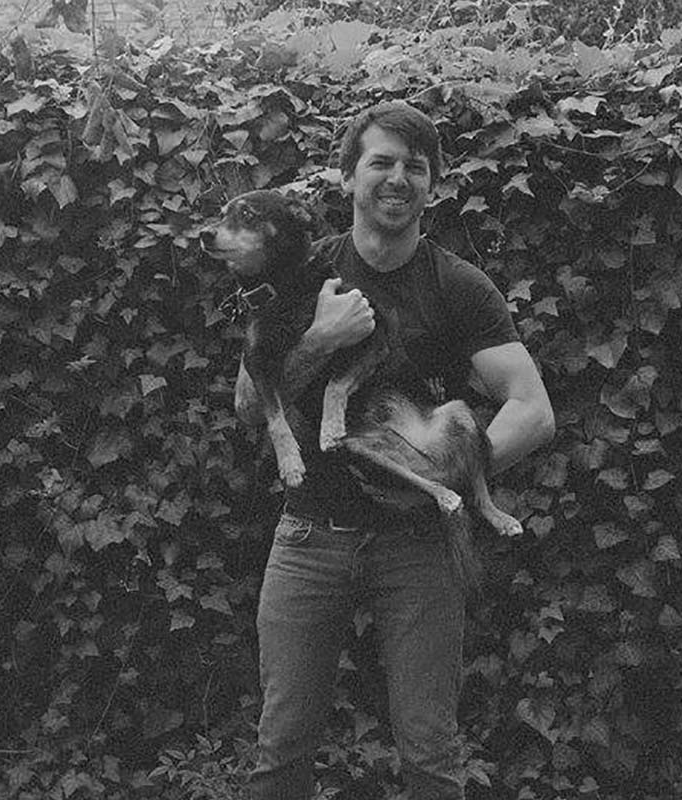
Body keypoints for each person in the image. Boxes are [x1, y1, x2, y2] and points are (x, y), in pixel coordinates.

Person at [234, 100, 555, 800]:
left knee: (431, 758)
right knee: (281, 751)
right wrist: (318, 340)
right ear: (348, 177)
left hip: (417, 546)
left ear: (434, 186)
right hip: (310, 533)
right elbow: (245, 408)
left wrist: (446, 470)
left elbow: (532, 410)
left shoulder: (460, 288)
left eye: (416, 167)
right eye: (380, 162)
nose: (397, 178)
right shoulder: (300, 275)